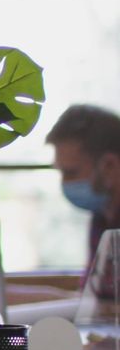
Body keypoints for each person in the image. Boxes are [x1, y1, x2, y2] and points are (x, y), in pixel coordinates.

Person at [46, 104, 120, 295]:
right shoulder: (102, 217)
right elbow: (91, 299)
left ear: (109, 165)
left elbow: (100, 307)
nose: (64, 183)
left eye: (71, 172)